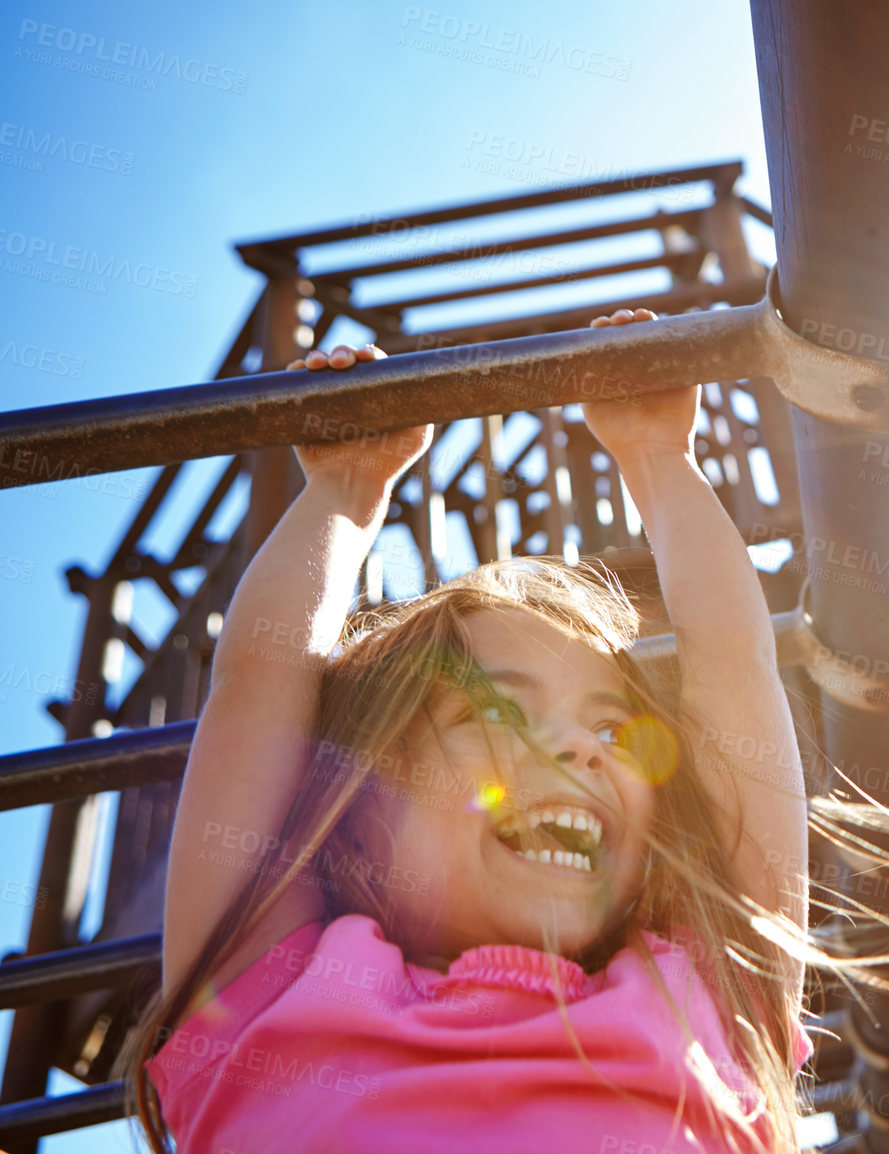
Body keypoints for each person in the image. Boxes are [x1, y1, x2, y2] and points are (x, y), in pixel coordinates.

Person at [117, 308, 828, 1153]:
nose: (583, 747)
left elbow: (734, 669)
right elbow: (257, 685)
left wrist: (660, 459)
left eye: (613, 725)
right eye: (500, 715)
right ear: (360, 809)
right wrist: (342, 496)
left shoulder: (704, 996)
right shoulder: (272, 1001)